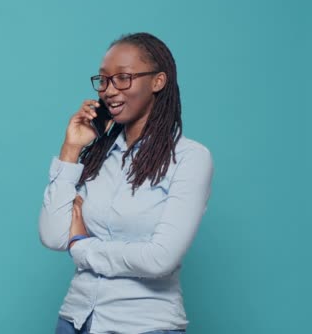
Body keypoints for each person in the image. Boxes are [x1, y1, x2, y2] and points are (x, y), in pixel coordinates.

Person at [38, 32, 214, 334]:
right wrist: (70, 150)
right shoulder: (97, 156)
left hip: (143, 325)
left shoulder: (190, 158)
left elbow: (160, 259)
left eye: (123, 78)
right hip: (75, 321)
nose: (109, 90)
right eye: (104, 80)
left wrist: (81, 246)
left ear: (158, 81)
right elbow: (53, 237)